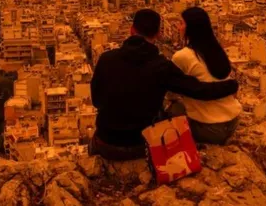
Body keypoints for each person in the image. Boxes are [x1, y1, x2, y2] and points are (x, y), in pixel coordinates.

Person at [90, 8, 239, 161]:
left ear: (131, 30)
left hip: (106, 144)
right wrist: (231, 86)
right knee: (169, 108)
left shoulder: (106, 59)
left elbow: (96, 101)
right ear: (158, 34)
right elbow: (199, 90)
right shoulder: (162, 67)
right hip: (142, 145)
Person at [170, 7, 241, 145]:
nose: (179, 27)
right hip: (233, 123)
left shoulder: (182, 56)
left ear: (191, 28)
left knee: (172, 106)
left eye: (182, 23)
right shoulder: (217, 51)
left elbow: (172, 92)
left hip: (209, 130)